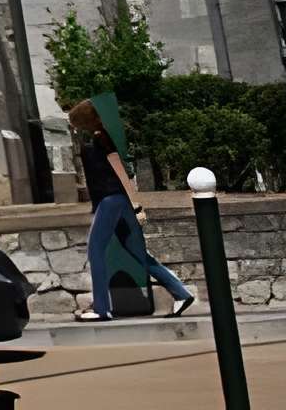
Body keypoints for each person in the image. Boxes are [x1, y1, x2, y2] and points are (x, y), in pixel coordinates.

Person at [71, 99, 194, 319]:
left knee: (96, 250)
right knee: (138, 252)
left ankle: (101, 309)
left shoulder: (102, 139)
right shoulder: (99, 138)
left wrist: (136, 204)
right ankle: (181, 293)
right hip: (117, 201)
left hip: (111, 200)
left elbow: (121, 172)